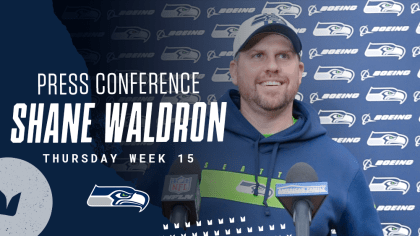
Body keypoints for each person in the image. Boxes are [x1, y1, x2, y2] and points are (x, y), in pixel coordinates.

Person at [139, 13, 383, 235]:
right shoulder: (184, 145)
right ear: (234, 71)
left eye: (283, 56)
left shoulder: (339, 164)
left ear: (299, 72)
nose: (272, 66)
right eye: (258, 55)